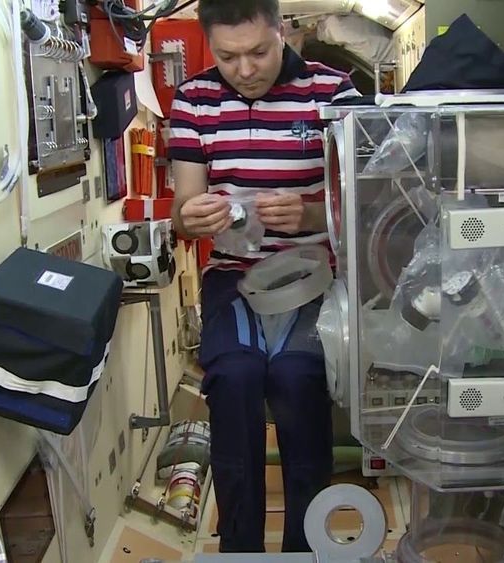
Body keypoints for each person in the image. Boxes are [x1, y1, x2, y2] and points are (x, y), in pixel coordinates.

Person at [167, 0, 360, 553]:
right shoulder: (194, 100)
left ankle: (306, 546)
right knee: (234, 379)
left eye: (258, 52)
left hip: (311, 277)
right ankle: (241, 547)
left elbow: (369, 202)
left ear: (282, 32)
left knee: (299, 381)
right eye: (228, 57)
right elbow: (182, 211)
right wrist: (192, 217)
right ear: (210, 45)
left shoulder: (333, 93)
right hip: (234, 277)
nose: (245, 69)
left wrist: (313, 215)